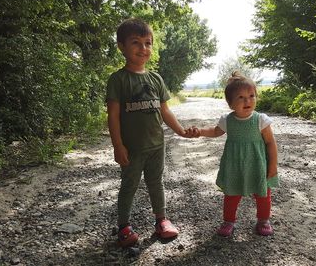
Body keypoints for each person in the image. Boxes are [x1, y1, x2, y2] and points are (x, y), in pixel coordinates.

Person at [106, 18, 193, 247]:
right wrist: (118, 145)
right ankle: (124, 226)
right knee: (129, 185)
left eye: (148, 43)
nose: (143, 48)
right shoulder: (118, 80)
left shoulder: (155, 79)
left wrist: (182, 131)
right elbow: (113, 116)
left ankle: (161, 220)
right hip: (132, 148)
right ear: (121, 47)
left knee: (156, 182)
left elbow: (165, 111)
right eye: (135, 42)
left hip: (157, 145)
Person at [193, 71, 279, 237]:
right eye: (240, 97)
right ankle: (229, 221)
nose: (247, 100)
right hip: (235, 165)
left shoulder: (261, 120)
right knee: (231, 194)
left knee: (263, 194)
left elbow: (270, 142)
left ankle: (263, 220)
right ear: (230, 103)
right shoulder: (228, 120)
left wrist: (273, 165)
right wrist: (200, 131)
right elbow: (215, 131)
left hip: (258, 163)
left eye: (251, 95)